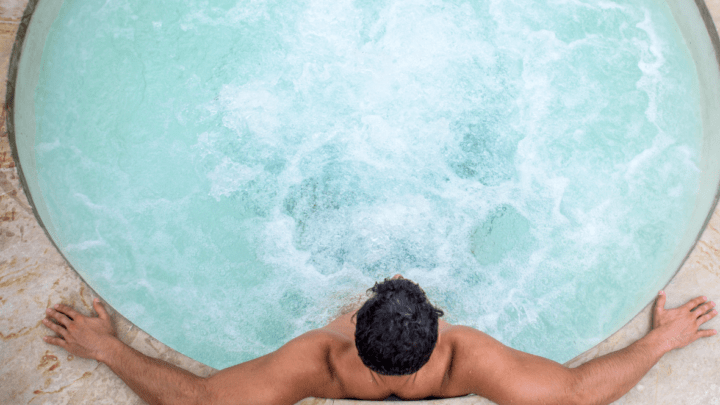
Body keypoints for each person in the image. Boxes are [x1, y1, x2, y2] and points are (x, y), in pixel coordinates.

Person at [42, 274, 717, 405]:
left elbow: (197, 399)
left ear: (355, 326)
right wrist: (661, 341)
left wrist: (108, 347)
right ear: (438, 324)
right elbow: (573, 392)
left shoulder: (319, 360)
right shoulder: (466, 357)